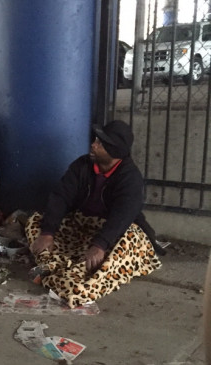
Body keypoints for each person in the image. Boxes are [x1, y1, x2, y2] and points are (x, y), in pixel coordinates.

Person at [26, 120, 163, 308]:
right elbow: (61, 196)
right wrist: (48, 232)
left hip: (111, 232)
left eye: (100, 143)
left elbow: (123, 216)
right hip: (82, 225)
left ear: (113, 152)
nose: (93, 145)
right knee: (36, 221)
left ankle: (78, 285)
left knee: (129, 240)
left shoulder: (130, 178)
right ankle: (54, 266)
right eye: (96, 140)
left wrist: (100, 244)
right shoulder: (82, 165)